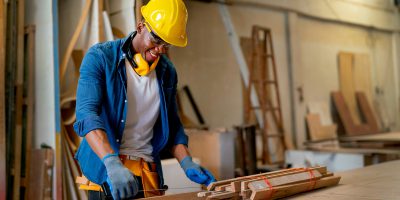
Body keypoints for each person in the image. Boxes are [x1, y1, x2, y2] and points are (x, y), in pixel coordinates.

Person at [73, 0, 216, 199]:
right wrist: (111, 162)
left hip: (147, 174)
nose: (160, 49)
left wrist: (186, 162)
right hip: (108, 174)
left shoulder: (167, 72)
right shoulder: (101, 58)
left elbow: (172, 126)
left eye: (167, 44)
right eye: (157, 40)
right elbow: (86, 114)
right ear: (141, 26)